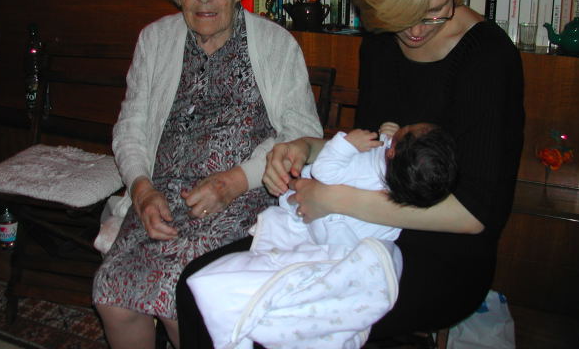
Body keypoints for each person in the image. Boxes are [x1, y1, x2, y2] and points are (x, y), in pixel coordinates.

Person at [176, 0, 524, 347]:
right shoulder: (381, 43)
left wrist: (334, 198)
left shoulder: (489, 59)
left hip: (440, 252)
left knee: (272, 320)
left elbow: (475, 214)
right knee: (197, 287)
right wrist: (305, 147)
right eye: (400, 15)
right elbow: (372, 146)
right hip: (350, 230)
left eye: (434, 11)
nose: (416, 31)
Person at [92, 0, 323, 349]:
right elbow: (131, 126)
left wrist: (234, 181)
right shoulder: (155, 41)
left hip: (241, 198)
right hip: (159, 197)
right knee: (111, 293)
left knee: (181, 296)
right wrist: (141, 190)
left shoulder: (276, 44)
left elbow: (302, 132)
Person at [186, 122, 458, 348]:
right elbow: (396, 147)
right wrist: (390, 133)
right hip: (354, 242)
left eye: (406, 130)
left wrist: (346, 144)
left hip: (321, 224)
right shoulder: (408, 188)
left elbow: (324, 171)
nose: (403, 127)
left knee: (222, 281)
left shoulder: (366, 166)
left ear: (392, 152)